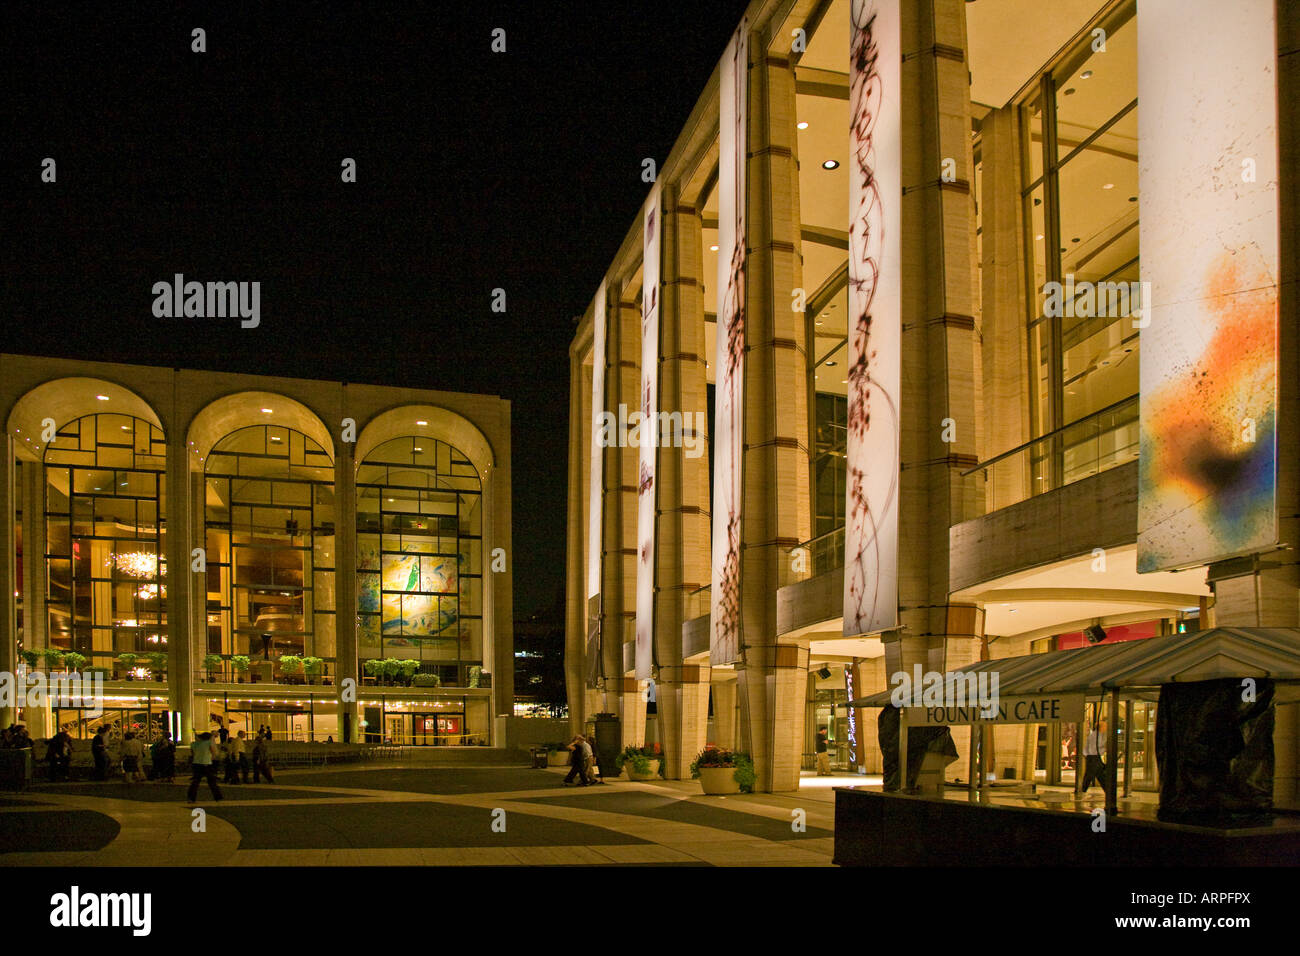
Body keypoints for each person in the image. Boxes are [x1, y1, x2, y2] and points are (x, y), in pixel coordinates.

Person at [187, 732, 223, 803]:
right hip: (206, 763)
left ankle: (191, 797)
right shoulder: (209, 743)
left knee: (195, 782)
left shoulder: (193, 744)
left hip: (196, 763)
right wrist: (211, 759)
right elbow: (214, 753)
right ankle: (217, 797)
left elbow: (193, 754)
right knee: (212, 781)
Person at [1080, 721, 1107, 792]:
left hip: (1093, 757)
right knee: (1092, 775)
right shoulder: (1096, 736)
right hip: (1093, 757)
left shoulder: (1098, 735)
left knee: (1099, 775)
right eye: (1104, 726)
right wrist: (1105, 749)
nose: (1106, 728)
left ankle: (1107, 790)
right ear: (1101, 727)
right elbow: (1094, 749)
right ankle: (1082, 790)